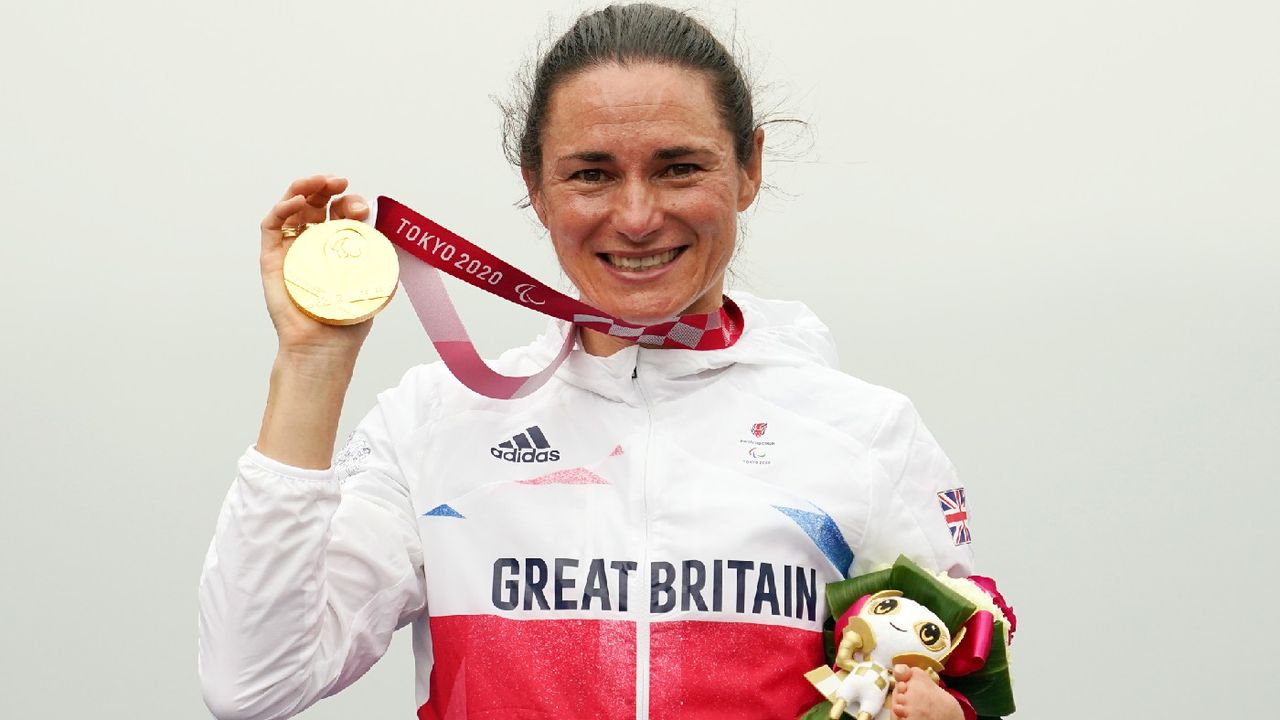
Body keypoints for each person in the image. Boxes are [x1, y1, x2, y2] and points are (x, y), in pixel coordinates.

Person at [199, 4, 999, 719]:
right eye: (591, 174)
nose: (639, 215)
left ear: (749, 168)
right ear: (537, 189)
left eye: (680, 167)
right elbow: (253, 683)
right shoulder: (434, 424)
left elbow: (960, 677)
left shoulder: (865, 435)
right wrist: (312, 362)